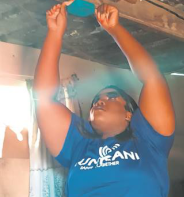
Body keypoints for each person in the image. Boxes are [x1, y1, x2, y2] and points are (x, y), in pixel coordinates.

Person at [33, 2, 175, 197]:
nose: (100, 101)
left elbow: (152, 77)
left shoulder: (148, 139)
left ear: (129, 114)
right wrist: (55, 34)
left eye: (112, 97)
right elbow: (44, 99)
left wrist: (115, 29)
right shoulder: (78, 143)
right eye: (96, 100)